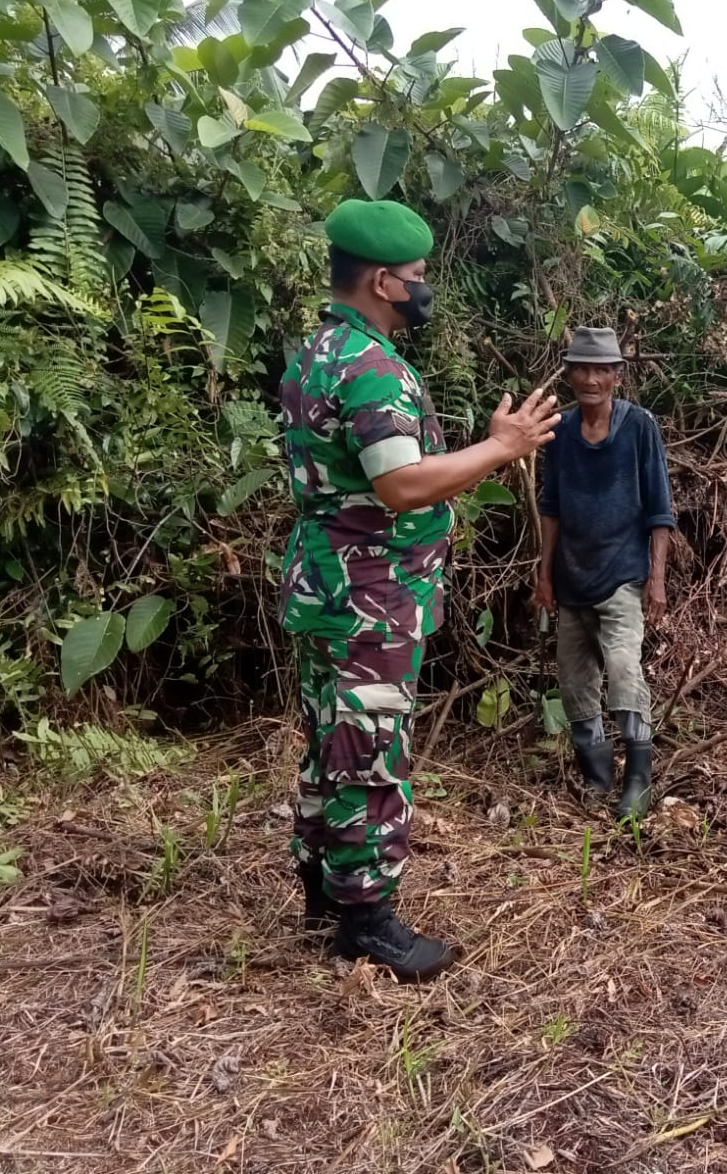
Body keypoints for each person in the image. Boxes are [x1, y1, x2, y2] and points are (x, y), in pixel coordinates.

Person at [280, 198, 560, 982]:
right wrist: (501, 449)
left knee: (329, 743)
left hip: (327, 587)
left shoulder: (317, 352)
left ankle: (322, 888)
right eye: (416, 277)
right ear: (381, 281)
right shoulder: (369, 368)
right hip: (367, 595)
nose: (423, 287)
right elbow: (401, 484)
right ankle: (365, 919)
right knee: (368, 750)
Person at [532, 327, 675, 822]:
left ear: (617, 375)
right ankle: (597, 777)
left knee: (622, 669)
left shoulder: (639, 427)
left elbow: (660, 509)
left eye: (602, 370)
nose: (591, 379)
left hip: (623, 574)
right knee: (574, 683)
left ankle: (638, 778)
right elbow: (551, 507)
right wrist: (545, 574)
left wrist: (656, 579)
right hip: (571, 576)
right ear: (569, 373)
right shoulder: (561, 431)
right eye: (582, 369)